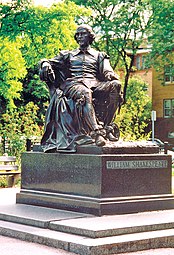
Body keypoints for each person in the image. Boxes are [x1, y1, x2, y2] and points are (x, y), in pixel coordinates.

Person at [39, 24, 123, 152]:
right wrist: (45, 64)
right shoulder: (69, 55)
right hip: (74, 84)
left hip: (95, 83)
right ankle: (97, 132)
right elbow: (48, 61)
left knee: (116, 86)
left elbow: (107, 71)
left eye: (82, 34)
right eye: (77, 34)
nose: (79, 37)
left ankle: (107, 126)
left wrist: (111, 75)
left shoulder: (99, 55)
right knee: (85, 93)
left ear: (90, 36)